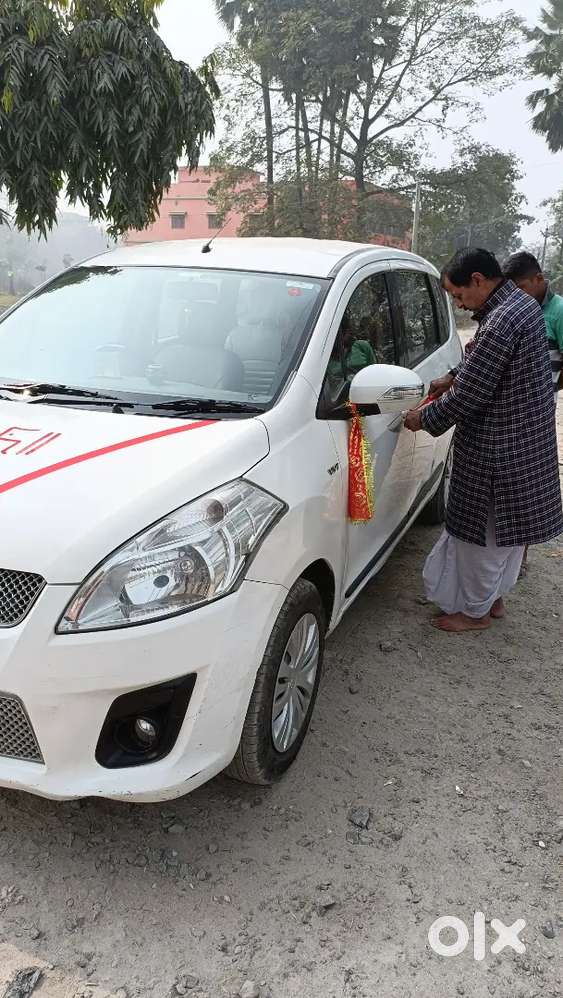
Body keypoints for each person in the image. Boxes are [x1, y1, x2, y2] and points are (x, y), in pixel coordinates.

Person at [404, 247, 563, 633]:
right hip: (522, 445)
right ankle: (490, 599)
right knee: (502, 536)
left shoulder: (501, 321)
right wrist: (453, 374)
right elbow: (488, 363)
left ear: (478, 280)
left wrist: (421, 418)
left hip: (500, 451)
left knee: (482, 538)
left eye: (459, 295)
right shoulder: (517, 307)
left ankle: (474, 612)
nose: (459, 305)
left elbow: (471, 395)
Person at [503, 251, 563, 395]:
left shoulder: (559, 310)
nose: (516, 295)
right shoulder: (516, 310)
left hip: (540, 409)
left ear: (539, 278)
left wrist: (547, 390)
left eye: (521, 288)